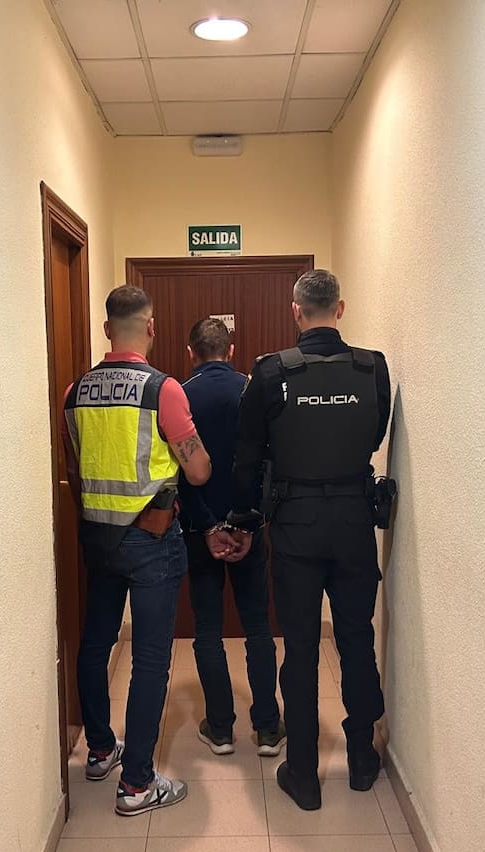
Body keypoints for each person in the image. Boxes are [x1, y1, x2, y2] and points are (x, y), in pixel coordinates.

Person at [226, 269, 391, 812]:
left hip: (295, 526)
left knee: (299, 647)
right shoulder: (372, 368)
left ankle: (302, 773)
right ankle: (362, 760)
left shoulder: (271, 372)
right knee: (357, 637)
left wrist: (243, 519)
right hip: (354, 522)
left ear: (295, 311)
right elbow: (373, 436)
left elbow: (247, 456)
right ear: (340, 309)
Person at [61, 285, 211, 817]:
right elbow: (198, 470)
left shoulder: (75, 392)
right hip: (150, 540)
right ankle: (138, 784)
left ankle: (101, 750)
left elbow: (76, 467)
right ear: (150, 328)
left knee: (95, 643)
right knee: (149, 659)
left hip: (98, 539)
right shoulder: (162, 390)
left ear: (107, 329)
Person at [177, 318, 286, 758]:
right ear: (232, 350)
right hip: (249, 528)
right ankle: (268, 728)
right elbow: (267, 465)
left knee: (207, 628)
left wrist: (207, 527)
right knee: (258, 626)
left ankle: (220, 728)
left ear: (191, 353)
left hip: (199, 530)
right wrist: (247, 525)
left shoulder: (179, 395)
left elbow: (181, 473)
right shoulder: (251, 390)